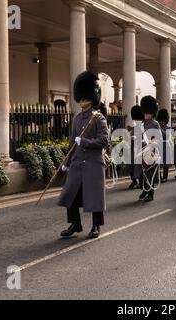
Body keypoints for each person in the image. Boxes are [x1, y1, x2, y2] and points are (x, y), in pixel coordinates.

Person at [58, 71, 109, 239]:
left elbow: (104, 141)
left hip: (93, 164)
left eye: (85, 98)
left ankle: (96, 226)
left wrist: (86, 142)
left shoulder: (98, 118)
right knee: (70, 193)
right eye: (80, 98)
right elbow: (72, 144)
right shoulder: (77, 119)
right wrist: (67, 161)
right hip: (78, 164)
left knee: (94, 197)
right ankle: (75, 223)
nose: (82, 101)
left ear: (91, 98)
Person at [138, 96, 161, 202]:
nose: (146, 114)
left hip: (151, 151)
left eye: (148, 113)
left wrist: (153, 142)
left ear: (152, 113)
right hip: (143, 151)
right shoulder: (142, 124)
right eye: (145, 113)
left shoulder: (155, 124)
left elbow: (158, 138)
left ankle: (151, 193)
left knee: (151, 173)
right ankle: (145, 190)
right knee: (144, 173)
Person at [129, 105, 144, 189]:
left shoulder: (144, 127)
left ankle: (141, 182)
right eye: (135, 119)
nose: (135, 121)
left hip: (141, 149)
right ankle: (134, 180)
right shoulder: (134, 128)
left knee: (140, 167)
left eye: (137, 119)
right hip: (133, 148)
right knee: (131, 166)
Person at [157, 109, 172, 183]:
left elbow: (167, 135)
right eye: (160, 121)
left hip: (166, 145)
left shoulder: (168, 128)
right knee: (158, 162)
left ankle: (165, 177)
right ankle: (159, 177)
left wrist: (160, 129)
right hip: (159, 145)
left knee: (166, 163)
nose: (161, 122)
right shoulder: (157, 127)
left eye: (163, 121)